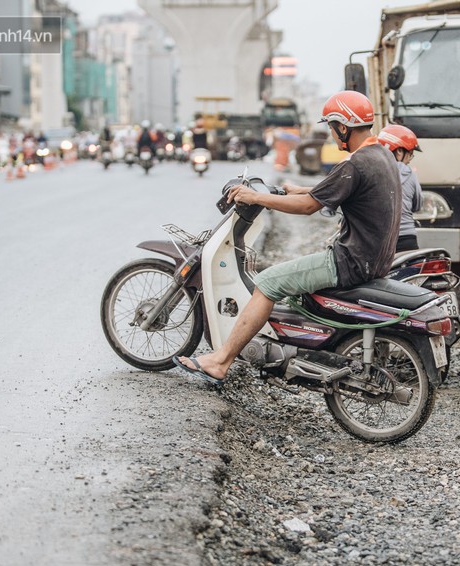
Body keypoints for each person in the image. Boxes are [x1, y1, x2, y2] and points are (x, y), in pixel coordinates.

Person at [174, 90, 402, 385]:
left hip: (349, 261)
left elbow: (309, 208)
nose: (332, 135)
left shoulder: (354, 164)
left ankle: (220, 361)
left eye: (332, 128)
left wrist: (256, 196)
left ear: (343, 127)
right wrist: (293, 190)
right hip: (374, 259)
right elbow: (328, 192)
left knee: (268, 282)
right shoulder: (380, 155)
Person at [377, 124, 424, 252]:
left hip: (381, 241)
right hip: (408, 239)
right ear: (399, 151)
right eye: (410, 154)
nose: (410, 159)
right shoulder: (410, 174)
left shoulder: (371, 170)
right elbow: (418, 205)